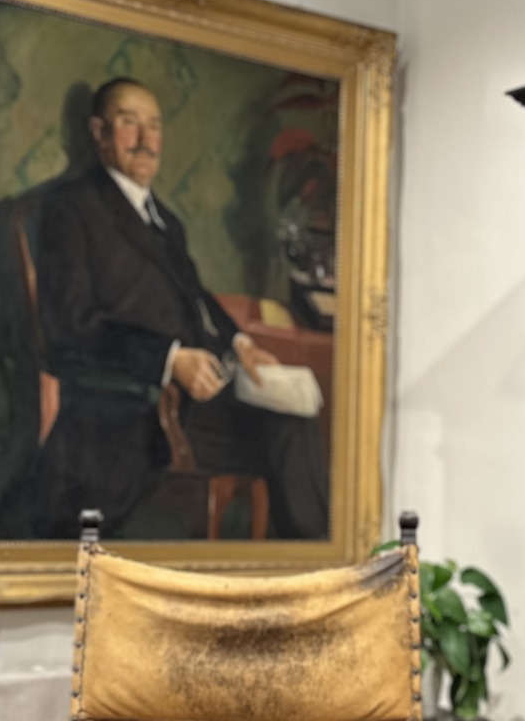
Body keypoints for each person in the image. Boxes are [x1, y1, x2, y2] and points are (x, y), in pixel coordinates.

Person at [29, 77, 329, 538]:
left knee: (295, 417)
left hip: (197, 402)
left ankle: (316, 559)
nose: (146, 140)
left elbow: (196, 295)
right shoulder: (70, 211)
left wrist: (241, 343)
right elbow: (71, 328)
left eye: (154, 126)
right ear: (99, 133)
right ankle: (316, 558)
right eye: (129, 124)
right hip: (128, 410)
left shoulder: (165, 220)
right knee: (288, 437)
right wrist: (170, 360)